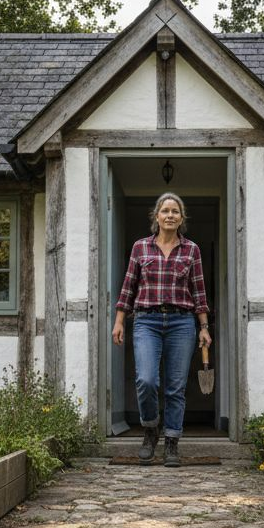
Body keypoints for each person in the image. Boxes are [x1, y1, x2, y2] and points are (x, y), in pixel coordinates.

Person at [111, 192, 211, 467]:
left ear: (181, 218)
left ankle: (172, 443)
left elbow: (199, 293)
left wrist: (204, 327)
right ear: (156, 217)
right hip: (146, 321)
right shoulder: (140, 248)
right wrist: (119, 321)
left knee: (176, 387)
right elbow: (128, 287)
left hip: (182, 323)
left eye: (175, 212)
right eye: (165, 211)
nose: (170, 215)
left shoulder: (191, 250)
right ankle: (150, 428)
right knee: (146, 380)